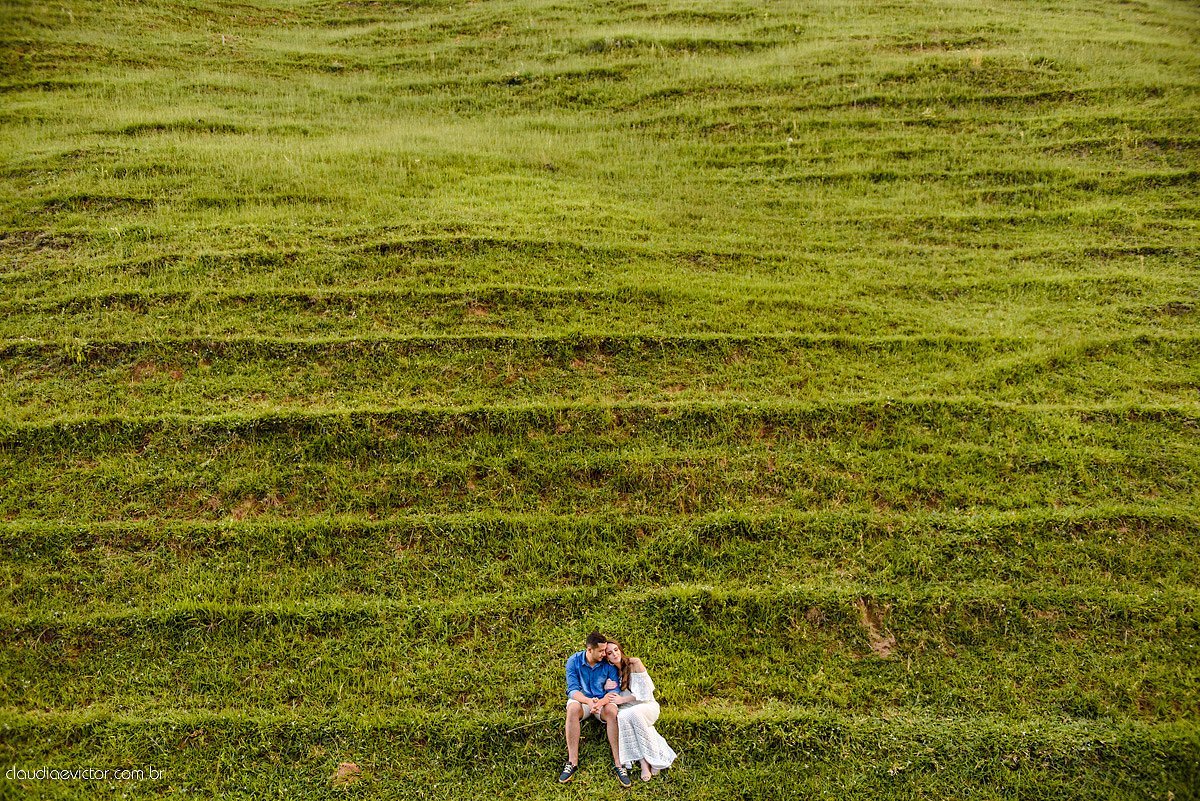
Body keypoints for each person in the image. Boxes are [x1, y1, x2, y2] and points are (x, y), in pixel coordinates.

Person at [559, 630, 631, 787]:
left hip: (603, 702)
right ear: (589, 650)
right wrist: (589, 702)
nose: (604, 654)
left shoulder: (608, 662)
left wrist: (600, 702)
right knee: (571, 709)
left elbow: (614, 690)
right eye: (601, 651)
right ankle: (572, 761)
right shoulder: (574, 661)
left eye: (605, 650)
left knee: (613, 711)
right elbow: (572, 690)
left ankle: (619, 763)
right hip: (583, 701)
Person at [605, 639, 678, 782]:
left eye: (616, 650)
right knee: (622, 716)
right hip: (627, 710)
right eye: (609, 653)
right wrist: (606, 687)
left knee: (633, 713)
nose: (614, 654)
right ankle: (644, 763)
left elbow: (645, 694)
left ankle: (655, 758)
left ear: (620, 650)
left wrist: (621, 700)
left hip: (647, 706)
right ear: (607, 658)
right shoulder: (611, 672)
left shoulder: (634, 664)